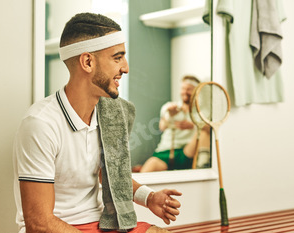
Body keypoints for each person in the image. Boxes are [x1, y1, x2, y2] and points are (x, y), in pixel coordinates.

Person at [13, 13, 182, 233]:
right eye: (117, 57)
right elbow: (39, 223)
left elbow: (110, 174)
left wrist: (149, 198)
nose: (125, 67)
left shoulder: (108, 116)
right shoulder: (40, 124)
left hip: (100, 224)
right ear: (88, 62)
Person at [139, 76, 210, 172]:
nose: (185, 92)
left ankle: (203, 165)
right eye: (183, 89)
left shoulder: (201, 113)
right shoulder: (170, 107)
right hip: (166, 152)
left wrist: (194, 125)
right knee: (148, 168)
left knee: (204, 131)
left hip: (186, 152)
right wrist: (170, 116)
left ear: (196, 92)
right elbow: (162, 126)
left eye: (189, 89)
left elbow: (210, 129)